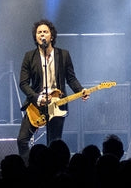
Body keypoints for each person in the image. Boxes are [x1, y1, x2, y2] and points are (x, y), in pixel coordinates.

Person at [16, 19, 89, 164]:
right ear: (35, 36)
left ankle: (53, 172)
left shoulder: (63, 55)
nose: (42, 34)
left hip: (57, 104)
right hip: (36, 103)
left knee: (54, 143)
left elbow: (71, 78)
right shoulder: (29, 56)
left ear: (52, 36)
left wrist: (81, 91)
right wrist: (37, 98)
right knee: (22, 140)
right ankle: (29, 169)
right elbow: (23, 83)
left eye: (45, 31)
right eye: (39, 32)